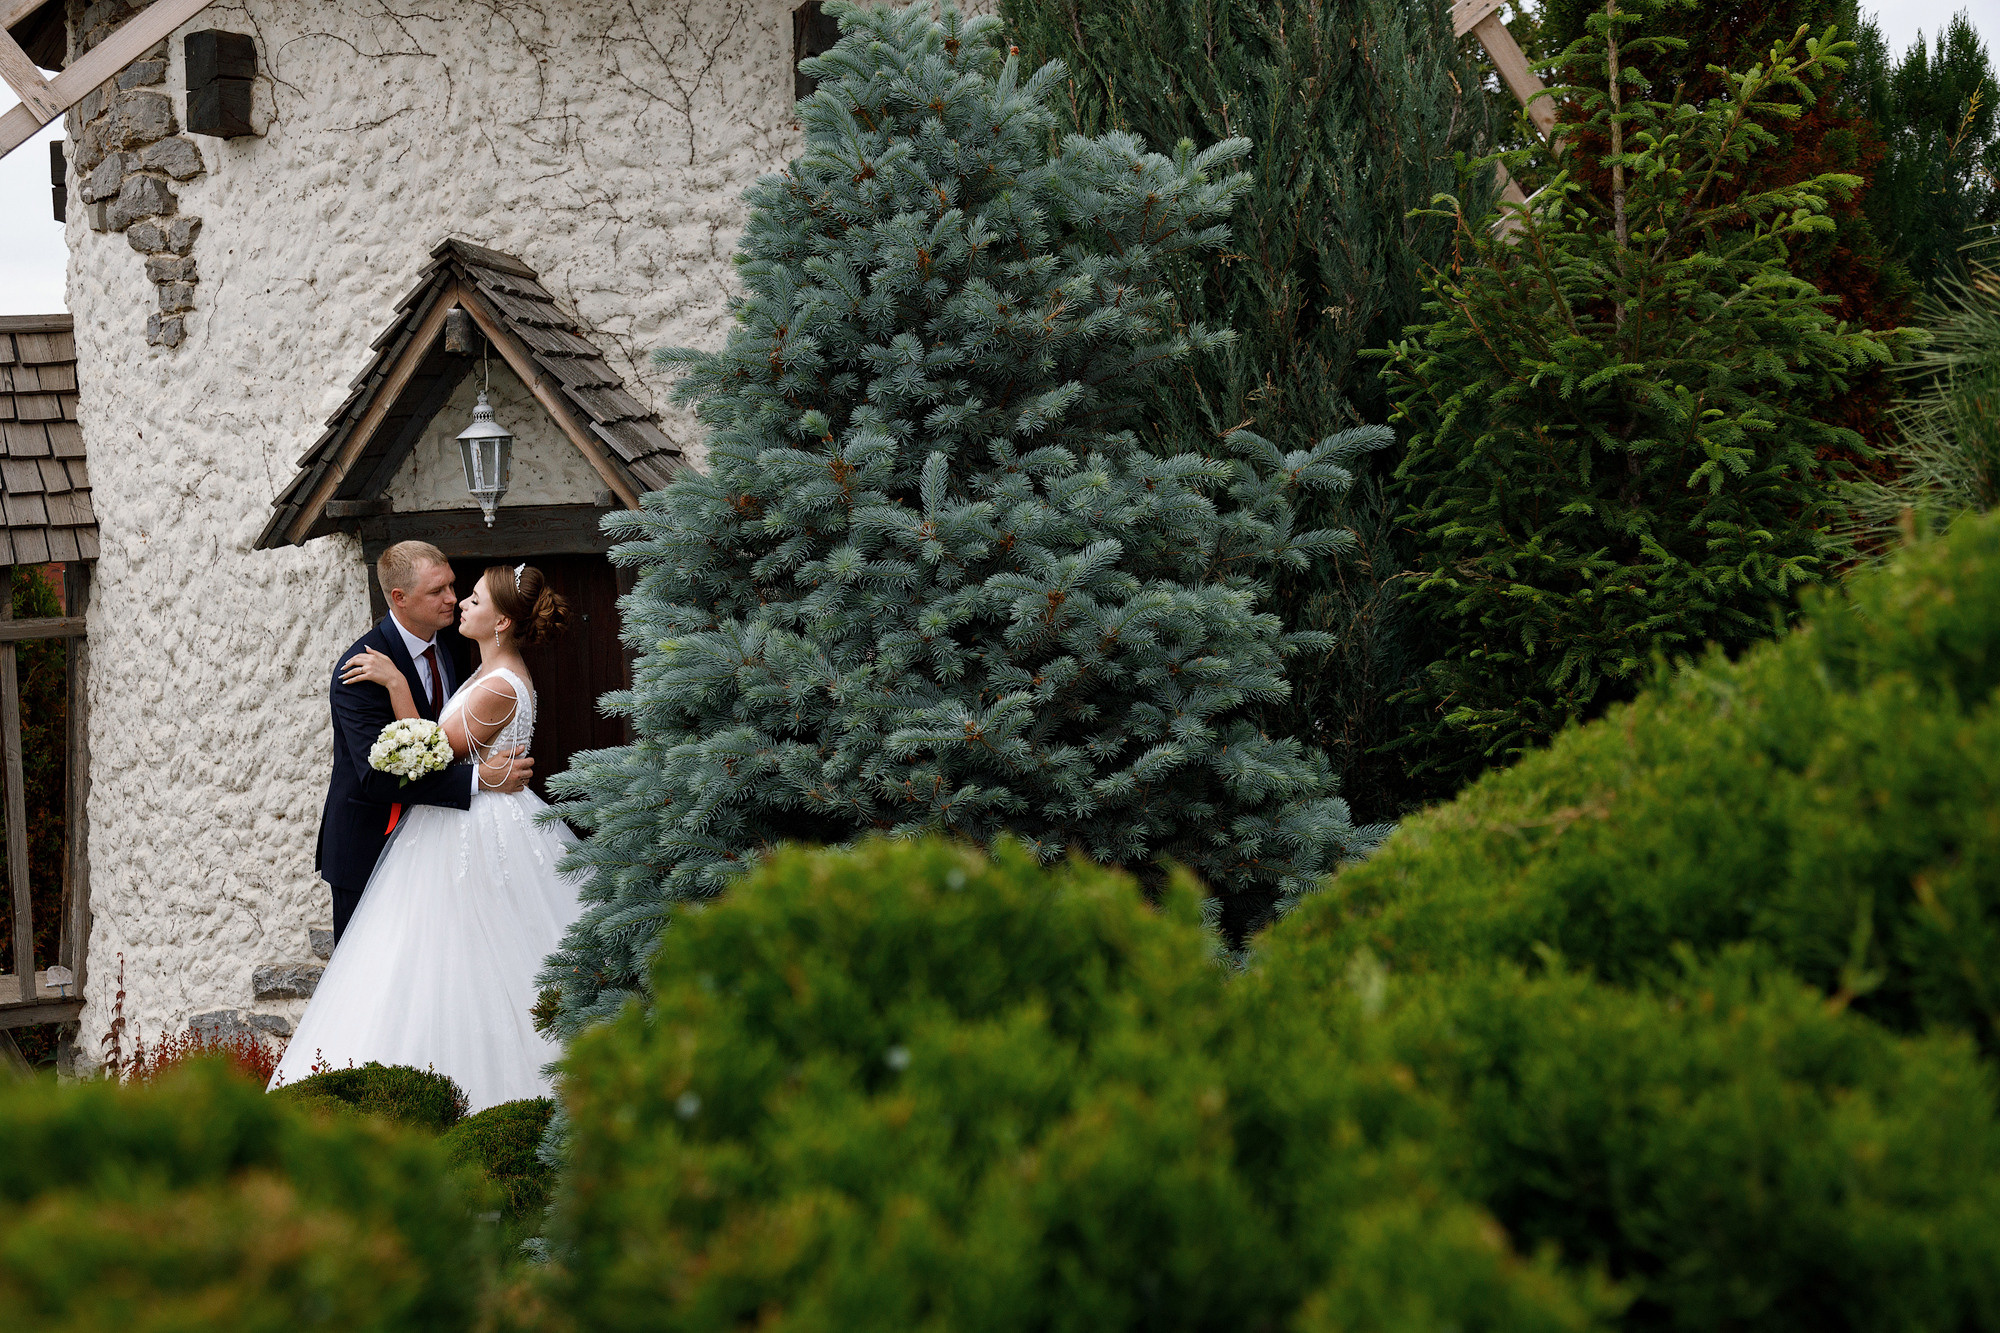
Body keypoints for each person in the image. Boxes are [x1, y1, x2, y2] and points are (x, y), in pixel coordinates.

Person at [272, 560, 583, 1110]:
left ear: (503, 623)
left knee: (460, 958)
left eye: (474, 598)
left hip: (474, 830)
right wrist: (482, 775)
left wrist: (394, 682)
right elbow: (401, 761)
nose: (459, 601)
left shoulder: (499, 686)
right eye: (447, 592)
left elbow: (430, 749)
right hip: (452, 821)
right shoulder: (484, 669)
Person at [315, 541, 536, 943]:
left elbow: (443, 740)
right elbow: (377, 778)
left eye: (453, 586)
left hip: (437, 848)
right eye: (438, 591)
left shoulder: (451, 645)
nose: (452, 598)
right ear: (399, 598)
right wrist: (481, 779)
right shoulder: (360, 671)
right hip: (368, 848)